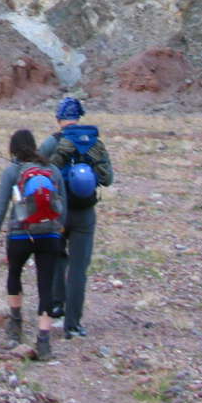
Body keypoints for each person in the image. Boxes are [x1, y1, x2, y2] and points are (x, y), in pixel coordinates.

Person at [0, 128, 65, 359]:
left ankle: (16, 324)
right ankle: (44, 340)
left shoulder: (12, 171)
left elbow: (0, 210)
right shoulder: (52, 170)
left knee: (14, 274)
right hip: (49, 235)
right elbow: (63, 206)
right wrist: (58, 232)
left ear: (13, 149)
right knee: (46, 285)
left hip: (20, 234)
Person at [40, 96, 114, 339]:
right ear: (79, 117)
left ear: (58, 118)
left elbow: (37, 168)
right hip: (85, 212)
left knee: (57, 256)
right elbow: (107, 179)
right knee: (78, 269)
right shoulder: (95, 143)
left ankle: (56, 305)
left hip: (57, 210)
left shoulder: (53, 142)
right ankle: (73, 324)